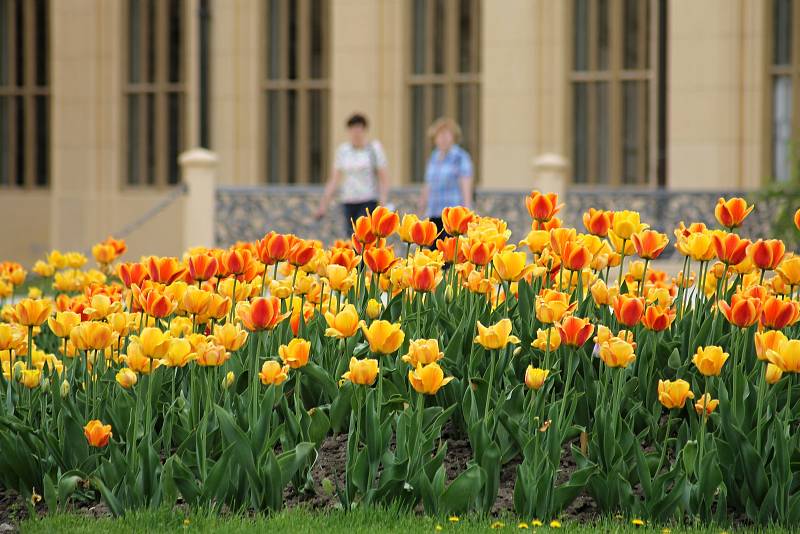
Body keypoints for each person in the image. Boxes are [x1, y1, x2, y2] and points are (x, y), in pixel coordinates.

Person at [315, 113, 390, 235]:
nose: (356, 133)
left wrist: (383, 201)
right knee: (351, 235)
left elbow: (383, 177)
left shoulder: (374, 149)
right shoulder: (343, 151)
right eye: (353, 129)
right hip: (348, 200)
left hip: (368, 199)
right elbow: (334, 178)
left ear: (364, 130)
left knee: (364, 234)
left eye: (359, 129)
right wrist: (323, 204)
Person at [417, 117, 474, 234]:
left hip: (452, 218)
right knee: (433, 249)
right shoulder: (434, 157)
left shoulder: (460, 157)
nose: (443, 139)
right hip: (433, 214)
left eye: (446, 134)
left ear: (454, 137)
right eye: (439, 135)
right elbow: (427, 185)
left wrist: (468, 213)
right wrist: (420, 210)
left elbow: (466, 186)